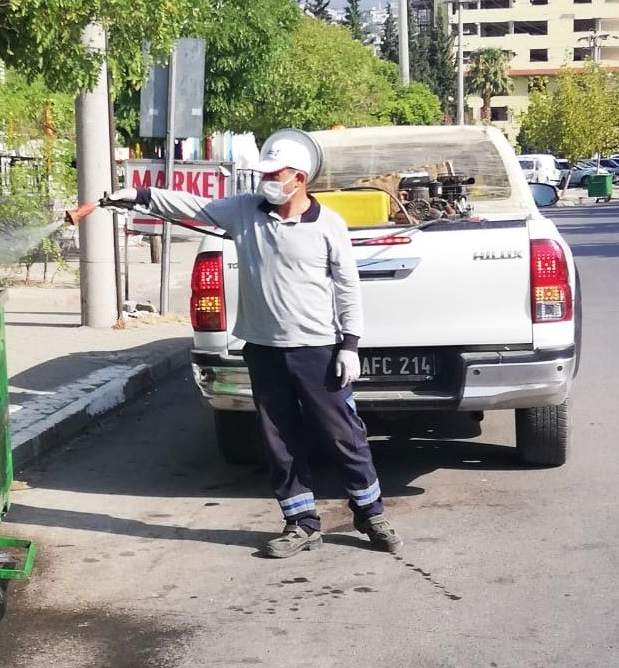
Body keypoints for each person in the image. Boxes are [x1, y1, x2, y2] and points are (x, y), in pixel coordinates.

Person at [107, 136, 401, 559]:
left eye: (274, 175)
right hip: (263, 349)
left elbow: (347, 288)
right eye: (264, 175)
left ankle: (371, 514)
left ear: (299, 179)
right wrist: (140, 196)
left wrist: (350, 345)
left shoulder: (328, 225)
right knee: (279, 439)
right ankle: (301, 523)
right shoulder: (245, 211)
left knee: (343, 435)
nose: (266, 182)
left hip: (317, 350)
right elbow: (192, 206)